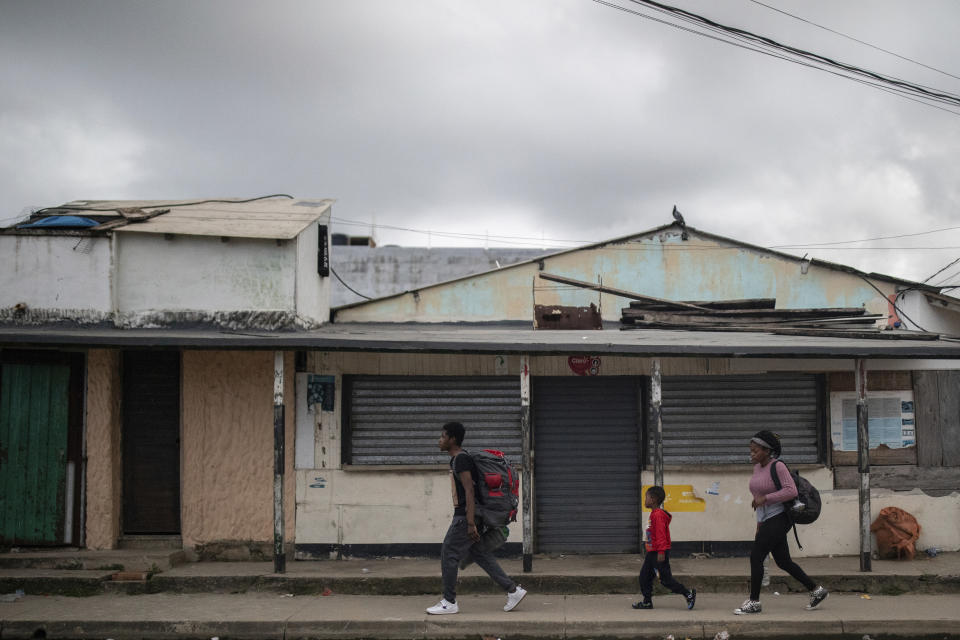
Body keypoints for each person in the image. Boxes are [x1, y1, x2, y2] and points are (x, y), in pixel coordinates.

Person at [426, 421, 527, 615]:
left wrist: (470, 522)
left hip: (466, 516)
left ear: (452, 439)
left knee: (449, 553)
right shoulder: (459, 459)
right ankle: (513, 591)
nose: (439, 440)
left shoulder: (461, 460)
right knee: (479, 553)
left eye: (443, 436)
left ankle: (449, 601)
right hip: (473, 515)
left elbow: (469, 490)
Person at [734, 430, 828, 615]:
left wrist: (765, 498)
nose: (751, 454)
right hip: (767, 519)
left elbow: (791, 491)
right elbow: (758, 500)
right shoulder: (757, 468)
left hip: (780, 517)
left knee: (756, 556)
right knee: (783, 561)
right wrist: (759, 524)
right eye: (750, 450)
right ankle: (816, 590)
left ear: (767, 451)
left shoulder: (778, 466)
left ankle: (754, 602)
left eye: (755, 451)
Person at [632, 485, 696, 610]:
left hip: (658, 553)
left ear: (654, 499)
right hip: (652, 553)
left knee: (665, 580)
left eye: (646, 497)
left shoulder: (658, 515)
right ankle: (647, 602)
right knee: (644, 576)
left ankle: (688, 593)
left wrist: (661, 551)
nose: (644, 500)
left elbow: (661, 534)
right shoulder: (654, 514)